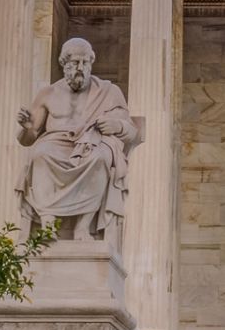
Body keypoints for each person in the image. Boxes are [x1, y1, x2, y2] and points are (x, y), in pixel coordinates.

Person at [16, 38, 138, 240]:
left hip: (90, 144)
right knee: (39, 154)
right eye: (75, 62)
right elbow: (28, 139)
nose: (80, 68)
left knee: (101, 158)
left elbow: (131, 131)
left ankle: (83, 227)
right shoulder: (47, 93)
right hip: (55, 143)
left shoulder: (108, 91)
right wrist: (26, 128)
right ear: (64, 64)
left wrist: (117, 126)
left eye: (85, 62)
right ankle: (48, 222)